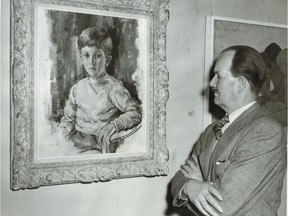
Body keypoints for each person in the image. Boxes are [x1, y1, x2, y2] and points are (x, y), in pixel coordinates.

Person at [171, 45, 287, 216]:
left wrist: (197, 187)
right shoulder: (211, 131)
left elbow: (221, 207)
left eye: (218, 77)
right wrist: (191, 186)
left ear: (240, 84)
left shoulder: (265, 132)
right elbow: (177, 180)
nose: (211, 83)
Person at [58, 27, 142, 154]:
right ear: (81, 57)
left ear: (107, 60)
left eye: (97, 56)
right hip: (76, 140)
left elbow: (134, 113)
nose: (91, 62)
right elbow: (68, 118)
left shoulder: (114, 88)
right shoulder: (78, 87)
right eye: (86, 55)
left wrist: (114, 125)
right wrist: (62, 137)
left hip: (98, 144)